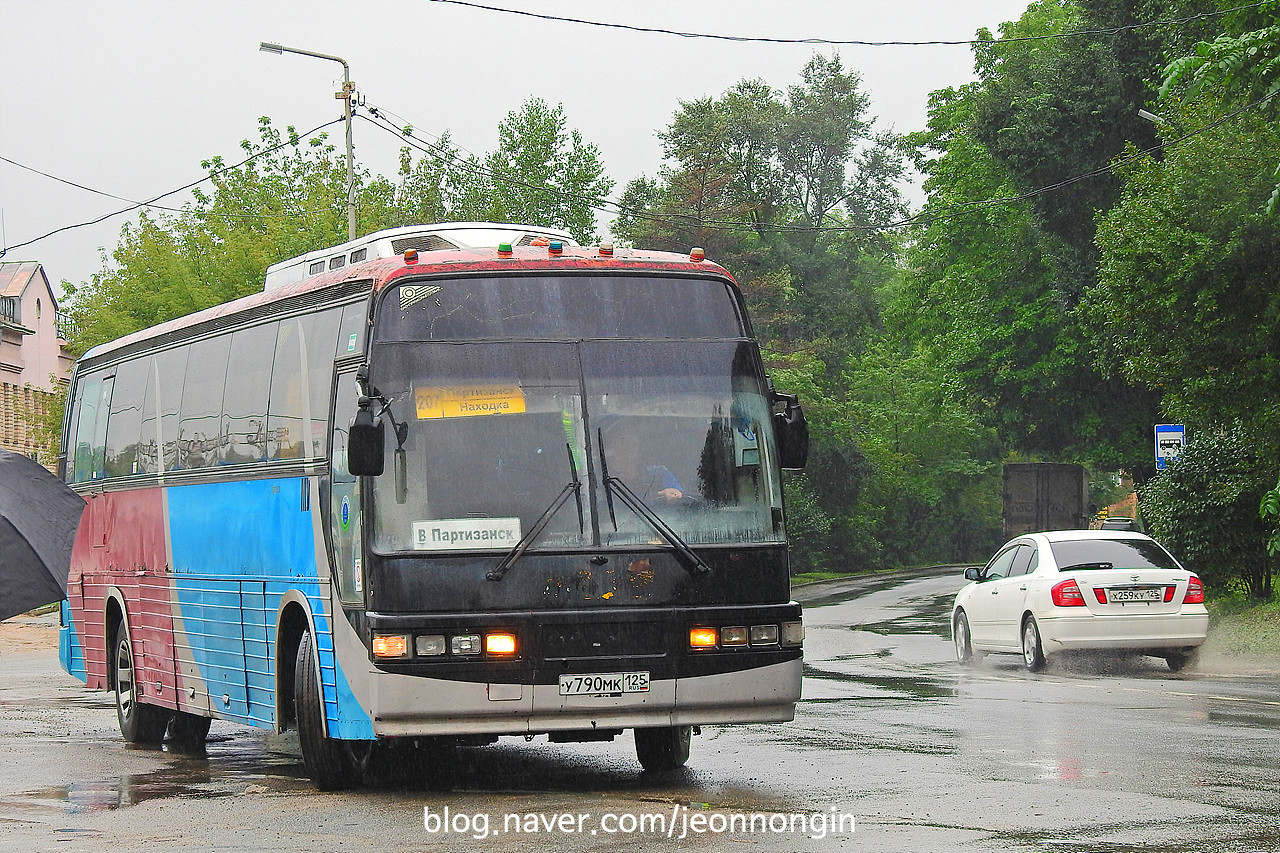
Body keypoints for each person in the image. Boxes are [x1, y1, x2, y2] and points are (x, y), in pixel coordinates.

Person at [602, 420, 684, 505]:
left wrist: (672, 493)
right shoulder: (602, 482)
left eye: (631, 445)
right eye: (620, 447)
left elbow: (676, 493)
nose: (627, 452)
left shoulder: (659, 473)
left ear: (638, 448)